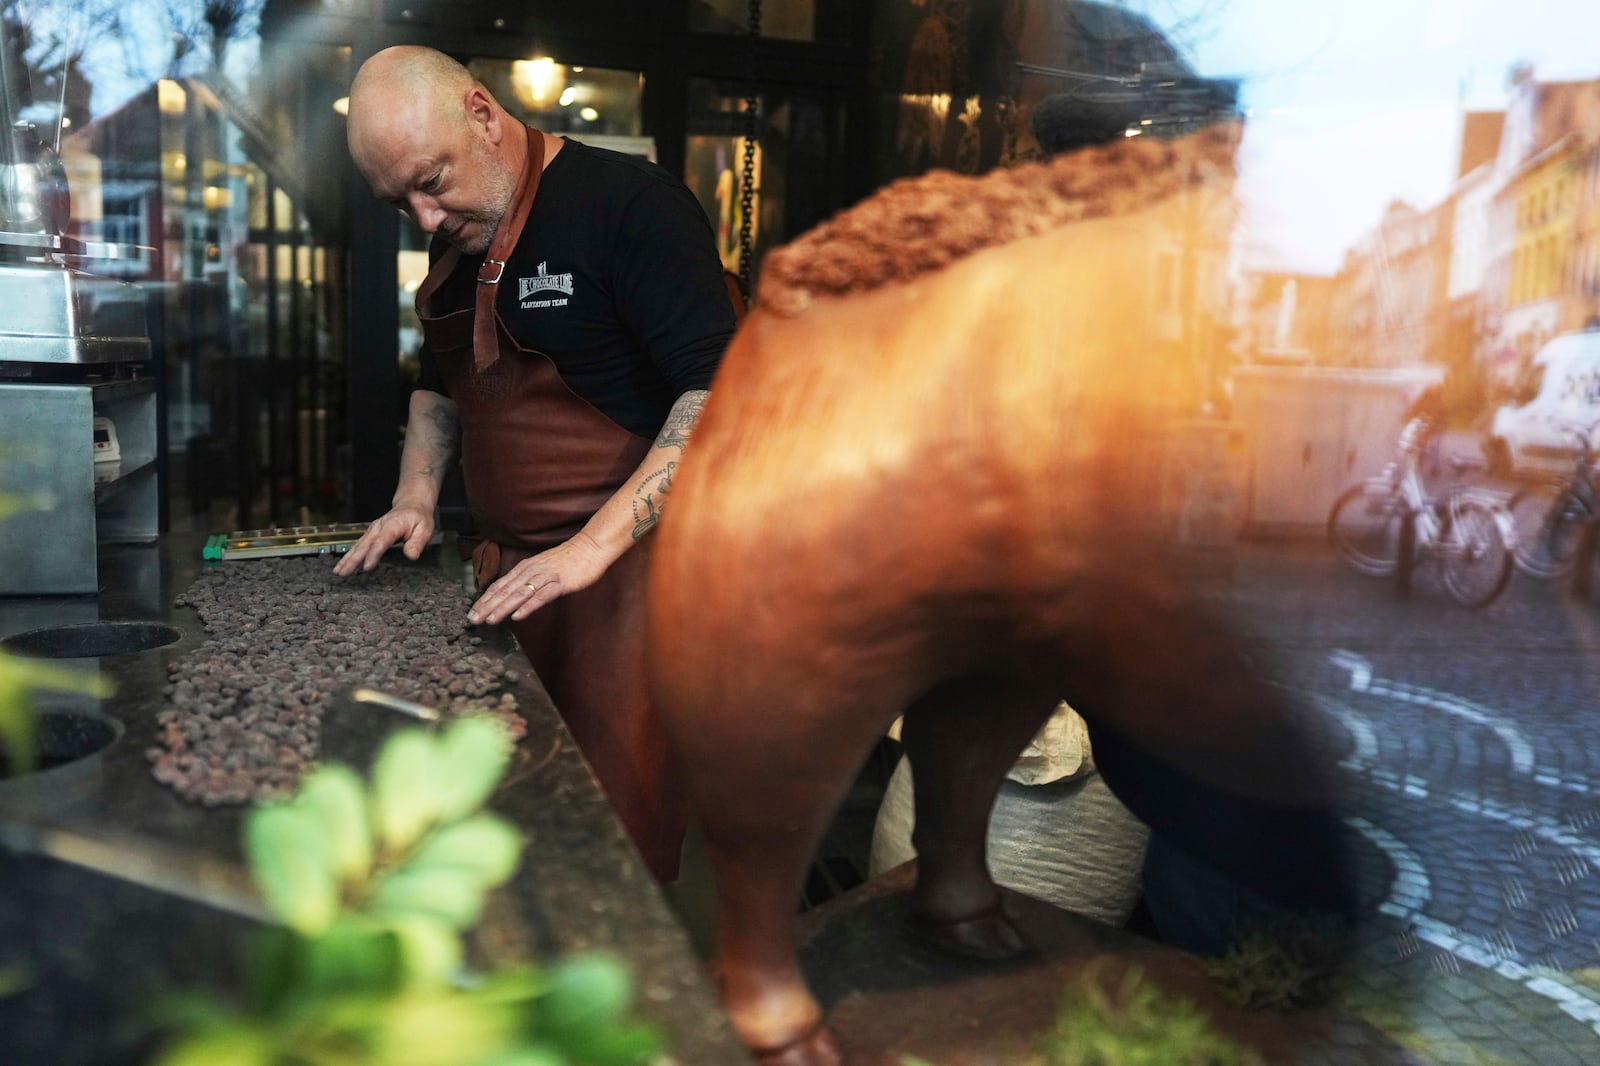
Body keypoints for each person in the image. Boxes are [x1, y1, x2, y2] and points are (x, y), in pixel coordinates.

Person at [336, 46, 737, 882]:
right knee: (508, 839)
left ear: (482, 114)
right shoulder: (458, 238)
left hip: (629, 589)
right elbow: (438, 384)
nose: (423, 218)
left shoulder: (628, 205)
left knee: (613, 852)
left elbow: (722, 394)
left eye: (430, 180)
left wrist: (590, 548)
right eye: (397, 201)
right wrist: (415, 496)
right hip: (508, 583)